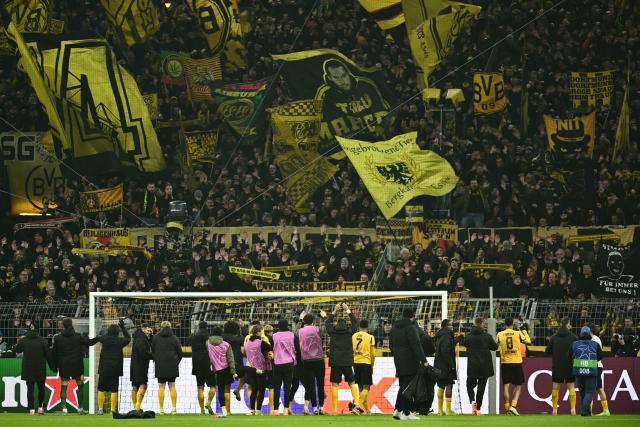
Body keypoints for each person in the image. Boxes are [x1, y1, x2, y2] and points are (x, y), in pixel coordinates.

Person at [321, 303, 361, 416]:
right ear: (346, 325)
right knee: (352, 382)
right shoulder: (349, 331)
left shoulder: (332, 331)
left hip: (335, 362)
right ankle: (357, 404)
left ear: (336, 325)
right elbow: (355, 322)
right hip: (347, 361)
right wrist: (348, 310)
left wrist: (334, 312)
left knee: (335, 385)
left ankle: (334, 410)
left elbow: (327, 322)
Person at [390, 308, 428, 421]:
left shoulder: (394, 328)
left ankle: (402, 411)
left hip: (398, 360)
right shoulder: (411, 328)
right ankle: (402, 411)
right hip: (410, 361)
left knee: (403, 385)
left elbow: (390, 345)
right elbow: (416, 345)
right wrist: (423, 360)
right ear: (412, 317)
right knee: (408, 387)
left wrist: (397, 355)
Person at [88, 319, 131, 415]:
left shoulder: (104, 339)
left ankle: (100, 409)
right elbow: (128, 338)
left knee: (101, 388)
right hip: (115, 368)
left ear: (108, 331)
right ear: (117, 332)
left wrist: (98, 336)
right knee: (114, 389)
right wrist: (123, 327)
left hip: (104, 367)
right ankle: (112, 410)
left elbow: (94, 340)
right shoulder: (120, 341)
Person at [52, 317, 88, 415]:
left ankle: (64, 409)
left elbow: (54, 353)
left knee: (64, 386)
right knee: (80, 386)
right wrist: (98, 338)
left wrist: (54, 366)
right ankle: (80, 408)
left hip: (64, 365)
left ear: (63, 325)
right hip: (77, 365)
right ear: (71, 324)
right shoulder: (78, 336)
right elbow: (88, 343)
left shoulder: (58, 338)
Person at [496, 317, 531, 416]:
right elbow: (528, 341)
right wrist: (524, 331)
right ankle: (513, 406)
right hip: (516, 362)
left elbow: (495, 345)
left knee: (506, 386)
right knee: (518, 385)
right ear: (513, 324)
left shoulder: (499, 334)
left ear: (505, 324)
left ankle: (507, 409)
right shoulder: (517, 333)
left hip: (505, 362)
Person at [14, 324, 52, 415]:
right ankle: (40, 408)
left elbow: (17, 350)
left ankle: (31, 410)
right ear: (38, 331)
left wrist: (17, 343)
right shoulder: (43, 341)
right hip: (40, 368)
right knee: (41, 389)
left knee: (30, 389)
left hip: (28, 368)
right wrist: (53, 366)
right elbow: (48, 354)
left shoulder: (24, 340)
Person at [464, 317, 498, 416]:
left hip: (472, 365)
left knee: (469, 385)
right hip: (484, 366)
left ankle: (472, 401)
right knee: (481, 388)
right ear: (482, 324)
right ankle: (478, 409)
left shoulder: (468, 336)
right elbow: (495, 347)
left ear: (474, 324)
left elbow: (465, 344)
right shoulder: (487, 336)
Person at [545, 317, 577, 416]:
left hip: (557, 365)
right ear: (568, 324)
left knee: (555, 387)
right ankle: (573, 409)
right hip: (569, 365)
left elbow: (547, 351)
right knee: (571, 387)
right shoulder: (573, 337)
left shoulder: (554, 337)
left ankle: (554, 410)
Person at [297, 311, 326, 415]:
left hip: (307, 361)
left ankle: (314, 408)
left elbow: (295, 332)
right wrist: (324, 317)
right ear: (313, 321)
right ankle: (322, 407)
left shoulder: (300, 331)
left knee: (311, 385)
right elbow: (326, 328)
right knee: (321, 384)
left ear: (304, 321)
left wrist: (300, 319)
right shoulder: (317, 329)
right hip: (319, 360)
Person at [151, 321, 182, 415]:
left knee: (161, 386)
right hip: (172, 365)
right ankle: (174, 409)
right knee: (172, 386)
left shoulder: (155, 337)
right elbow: (180, 353)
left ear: (161, 327)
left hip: (160, 365)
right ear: (170, 327)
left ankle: (161, 409)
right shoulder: (174, 338)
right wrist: (176, 362)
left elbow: (153, 350)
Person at [570, 325, 602, 416]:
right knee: (589, 392)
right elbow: (600, 357)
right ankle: (584, 411)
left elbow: (569, 356)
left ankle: (587, 412)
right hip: (591, 371)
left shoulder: (575, 344)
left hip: (578, 371)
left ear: (580, 334)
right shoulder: (595, 344)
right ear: (589, 334)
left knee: (582, 393)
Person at [207, 326, 237, 418]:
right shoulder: (226, 344)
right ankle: (224, 411)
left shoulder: (207, 343)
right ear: (221, 334)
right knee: (222, 390)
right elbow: (230, 359)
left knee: (213, 388)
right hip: (224, 369)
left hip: (212, 369)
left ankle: (208, 404)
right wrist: (233, 371)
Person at [242, 324, 271, 415]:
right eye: (262, 331)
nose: (263, 333)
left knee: (254, 390)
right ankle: (258, 410)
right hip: (261, 369)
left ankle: (251, 410)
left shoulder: (247, 343)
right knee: (261, 390)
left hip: (251, 368)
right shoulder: (261, 342)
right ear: (258, 332)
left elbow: (244, 352)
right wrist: (264, 339)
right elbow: (270, 348)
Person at [189, 321, 216, 415]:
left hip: (197, 364)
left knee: (200, 387)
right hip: (209, 363)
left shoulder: (193, 337)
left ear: (199, 327)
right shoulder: (210, 337)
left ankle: (202, 410)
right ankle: (208, 402)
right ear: (207, 327)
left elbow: (189, 343)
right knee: (213, 386)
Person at [272, 319, 296, 416]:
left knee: (276, 387)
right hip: (289, 363)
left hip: (277, 363)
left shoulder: (274, 336)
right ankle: (286, 409)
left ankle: (275, 410)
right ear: (287, 325)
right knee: (287, 387)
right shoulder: (292, 335)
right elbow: (297, 347)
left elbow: (270, 348)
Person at [352, 319, 375, 415]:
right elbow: (373, 353)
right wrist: (372, 365)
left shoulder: (353, 336)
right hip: (366, 362)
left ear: (359, 327)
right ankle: (357, 406)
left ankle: (367, 410)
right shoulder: (370, 337)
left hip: (356, 362)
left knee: (361, 388)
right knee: (367, 387)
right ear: (367, 327)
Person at [587, 323, 610, 416]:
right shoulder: (590, 339)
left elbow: (597, 354)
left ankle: (605, 410)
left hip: (596, 366)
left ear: (589, 330)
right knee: (594, 389)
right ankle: (591, 411)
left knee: (597, 389)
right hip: (591, 366)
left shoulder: (595, 339)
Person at [434, 319, 456, 416]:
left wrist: (456, 340)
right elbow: (445, 351)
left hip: (438, 364)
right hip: (446, 364)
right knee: (449, 384)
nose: (452, 327)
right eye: (450, 325)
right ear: (446, 326)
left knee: (441, 385)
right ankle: (448, 410)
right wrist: (451, 364)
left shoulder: (439, 335)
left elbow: (446, 346)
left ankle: (439, 410)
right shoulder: (447, 336)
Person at [131, 323, 153, 412]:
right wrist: (154, 356)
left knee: (135, 385)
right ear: (143, 329)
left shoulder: (139, 337)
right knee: (143, 384)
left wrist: (150, 337)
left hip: (134, 365)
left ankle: (136, 407)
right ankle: (137, 406)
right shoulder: (141, 339)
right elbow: (143, 352)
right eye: (147, 329)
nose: (149, 330)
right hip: (140, 365)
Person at [223, 320, 245, 406]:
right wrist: (242, 327)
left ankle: (227, 410)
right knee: (245, 377)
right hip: (237, 363)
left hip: (225, 363)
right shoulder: (238, 338)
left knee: (226, 386)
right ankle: (237, 389)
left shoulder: (222, 338)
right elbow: (245, 338)